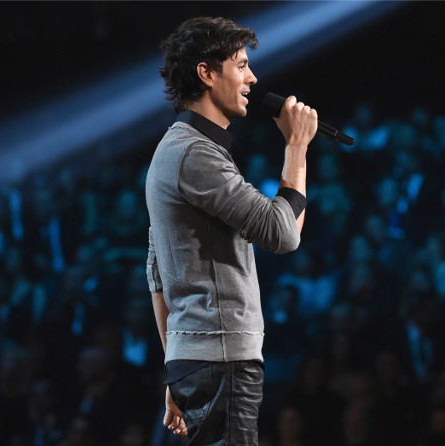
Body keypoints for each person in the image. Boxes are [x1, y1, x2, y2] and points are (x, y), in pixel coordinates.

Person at [145, 16, 318, 446]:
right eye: (240, 65)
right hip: (223, 359)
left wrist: (177, 363)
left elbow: (157, 273)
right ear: (206, 73)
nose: (252, 78)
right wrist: (295, 147)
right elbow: (283, 234)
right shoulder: (196, 155)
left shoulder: (174, 150)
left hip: (198, 358)